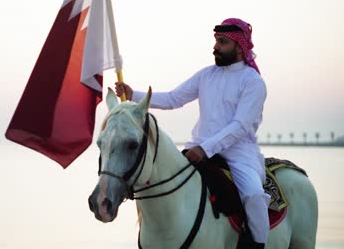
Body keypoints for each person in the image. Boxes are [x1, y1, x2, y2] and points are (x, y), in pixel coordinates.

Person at [115, 18, 270, 248]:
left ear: (239, 47)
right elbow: (173, 99)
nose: (215, 47)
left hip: (239, 155)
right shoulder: (206, 75)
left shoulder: (253, 82)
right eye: (216, 41)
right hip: (197, 148)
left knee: (254, 196)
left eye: (222, 42)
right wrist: (133, 94)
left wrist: (205, 148)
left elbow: (240, 126)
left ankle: (257, 244)